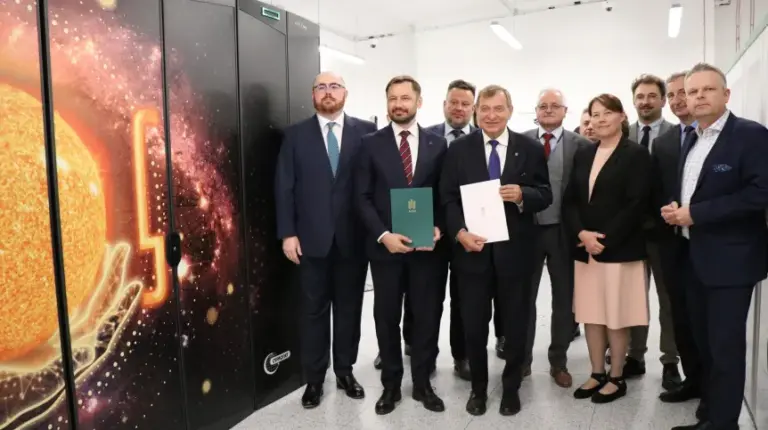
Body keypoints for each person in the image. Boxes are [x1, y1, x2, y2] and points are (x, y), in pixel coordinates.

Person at [665, 63, 768, 430]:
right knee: (705, 345)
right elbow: (696, 191)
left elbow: (761, 193)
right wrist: (677, 209)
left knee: (725, 349)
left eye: (708, 89)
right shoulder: (693, 137)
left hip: (731, 262)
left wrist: (696, 213)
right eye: (692, 91)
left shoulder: (750, 135)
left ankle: (724, 425)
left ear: (726, 94)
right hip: (693, 258)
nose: (698, 97)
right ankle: (711, 415)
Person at [440, 84, 551, 416]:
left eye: (498, 109)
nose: (491, 115)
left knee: (515, 324)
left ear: (510, 111)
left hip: (515, 254)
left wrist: (522, 196)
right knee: (474, 325)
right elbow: (447, 198)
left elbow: (545, 194)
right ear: (476, 112)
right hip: (471, 254)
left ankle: (511, 387)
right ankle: (478, 389)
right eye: (485, 109)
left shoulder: (530, 148)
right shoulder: (459, 149)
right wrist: (459, 232)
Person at [274, 72, 375, 409]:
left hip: (354, 240)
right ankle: (314, 379)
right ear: (313, 94)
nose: (328, 92)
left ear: (345, 92)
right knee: (313, 312)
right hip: (310, 241)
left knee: (349, 310)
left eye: (334, 86)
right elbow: (284, 187)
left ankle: (345, 372)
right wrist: (288, 233)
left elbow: (376, 184)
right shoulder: (295, 135)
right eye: (321, 87)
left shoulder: (367, 132)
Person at [356, 75, 447, 415]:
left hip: (427, 250)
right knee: (386, 317)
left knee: (426, 316)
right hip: (386, 249)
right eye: (393, 98)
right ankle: (391, 385)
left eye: (405, 98)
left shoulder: (439, 144)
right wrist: (383, 235)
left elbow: (445, 194)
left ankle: (422, 383)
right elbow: (362, 197)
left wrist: (439, 227)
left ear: (418, 102)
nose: (398, 104)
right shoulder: (370, 144)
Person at [564, 93, 651, 404]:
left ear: (622, 116)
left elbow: (636, 204)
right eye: (595, 114)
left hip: (619, 249)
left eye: (606, 113)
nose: (600, 120)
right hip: (585, 248)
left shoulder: (636, 154)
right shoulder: (584, 153)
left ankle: (616, 377)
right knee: (591, 313)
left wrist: (603, 239)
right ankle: (596, 372)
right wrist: (581, 233)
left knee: (616, 314)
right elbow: (571, 200)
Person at [522, 88, 591, 388]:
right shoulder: (521, 141)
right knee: (524, 299)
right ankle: (522, 361)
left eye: (555, 105)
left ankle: (558, 361)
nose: (548, 110)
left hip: (564, 232)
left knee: (564, 299)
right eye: (543, 106)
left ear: (565, 111)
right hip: (528, 232)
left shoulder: (582, 145)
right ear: (536, 111)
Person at [622, 74, 680, 387]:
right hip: (630, 234)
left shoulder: (678, 135)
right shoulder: (622, 134)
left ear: (663, 100)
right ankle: (635, 355)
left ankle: (670, 361)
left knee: (668, 300)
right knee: (634, 298)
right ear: (633, 101)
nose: (645, 102)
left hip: (664, 233)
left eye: (651, 96)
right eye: (640, 97)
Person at [651, 71, 703, 406]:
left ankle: (712, 386)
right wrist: (666, 208)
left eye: (683, 92)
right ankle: (691, 379)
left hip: (708, 239)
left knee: (706, 317)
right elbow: (658, 187)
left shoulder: (712, 136)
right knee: (679, 313)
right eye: (671, 95)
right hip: (672, 241)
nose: (677, 100)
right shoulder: (665, 141)